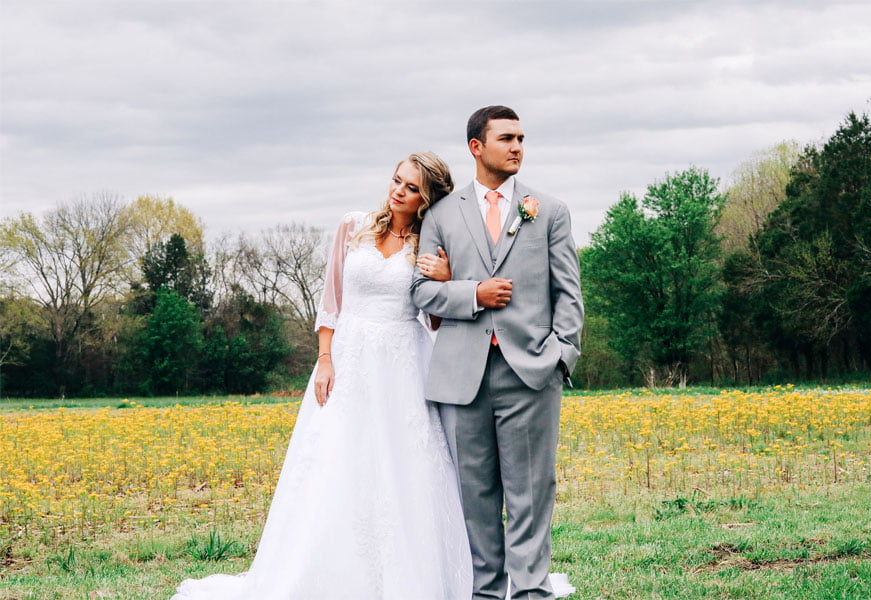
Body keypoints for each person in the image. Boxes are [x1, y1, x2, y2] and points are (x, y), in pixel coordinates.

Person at [171, 151, 472, 600]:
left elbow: (435, 322)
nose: (398, 191)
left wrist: (445, 280)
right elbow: (331, 299)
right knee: (335, 457)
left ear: (427, 199)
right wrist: (326, 357)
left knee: (402, 464)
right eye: (396, 180)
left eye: (411, 188)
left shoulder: (430, 243)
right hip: (349, 355)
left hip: (402, 363)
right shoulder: (354, 225)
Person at [412, 106, 584, 600]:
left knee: (531, 493)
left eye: (521, 139)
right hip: (461, 378)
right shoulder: (441, 214)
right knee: (476, 497)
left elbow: (568, 292)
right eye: (506, 138)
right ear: (476, 147)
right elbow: (421, 292)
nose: (517, 147)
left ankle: (531, 592)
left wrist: (561, 356)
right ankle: (485, 592)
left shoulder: (548, 210)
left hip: (531, 372)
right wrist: (472, 294)